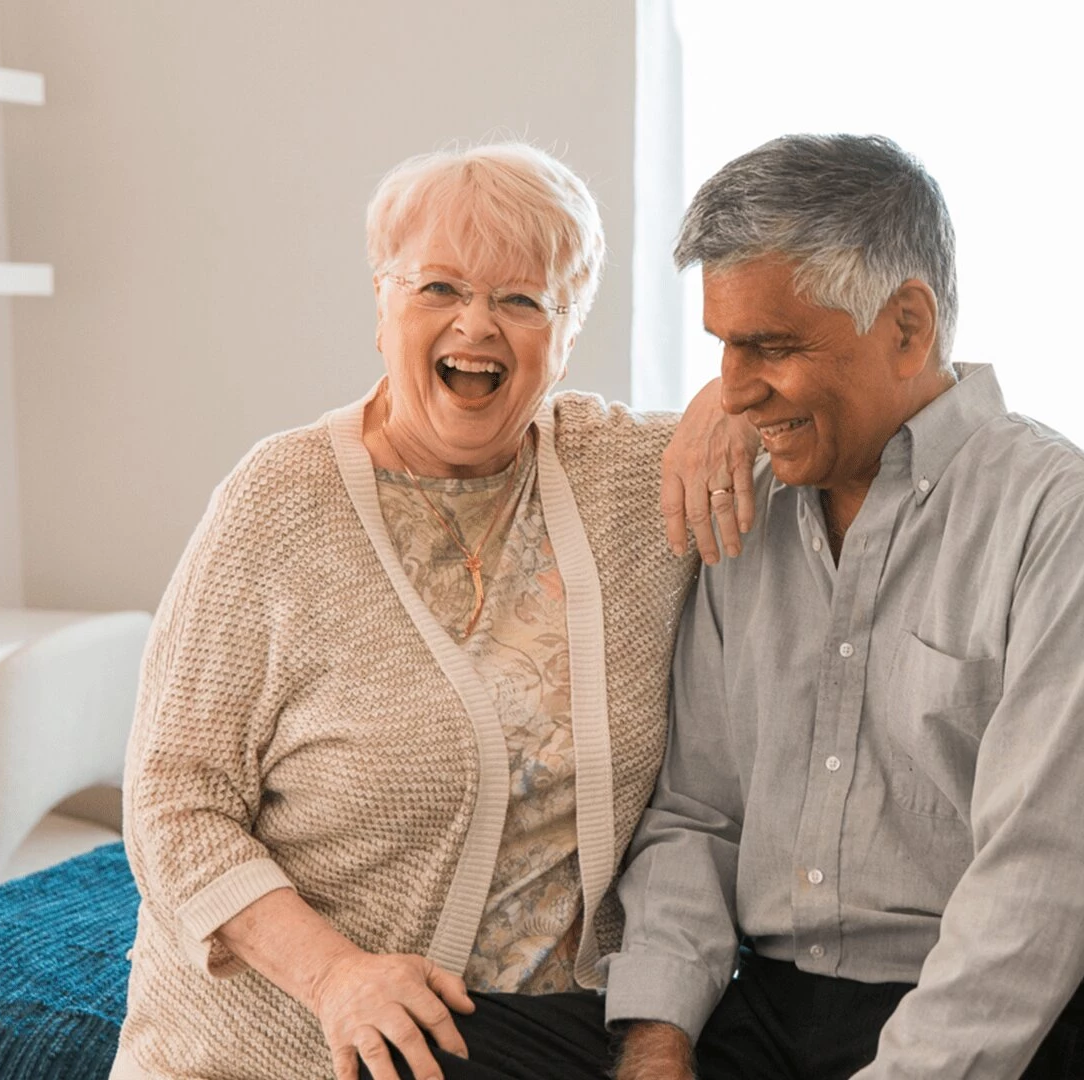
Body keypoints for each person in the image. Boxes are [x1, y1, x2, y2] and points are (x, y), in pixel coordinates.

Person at [113, 141, 758, 1080]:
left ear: (568, 333)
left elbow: (858, 408)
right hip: (281, 1043)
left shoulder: (630, 481)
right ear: (382, 305)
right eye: (439, 289)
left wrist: (728, 402)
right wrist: (336, 978)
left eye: (522, 300)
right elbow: (174, 804)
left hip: (546, 1042)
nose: (477, 325)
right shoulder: (278, 502)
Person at [605, 134, 1084, 1080]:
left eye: (771, 347)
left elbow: (1034, 895)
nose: (733, 390)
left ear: (907, 326)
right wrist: (659, 1043)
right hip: (774, 1007)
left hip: (1017, 1024)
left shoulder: (1070, 522)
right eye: (722, 347)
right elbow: (697, 816)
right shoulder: (743, 503)